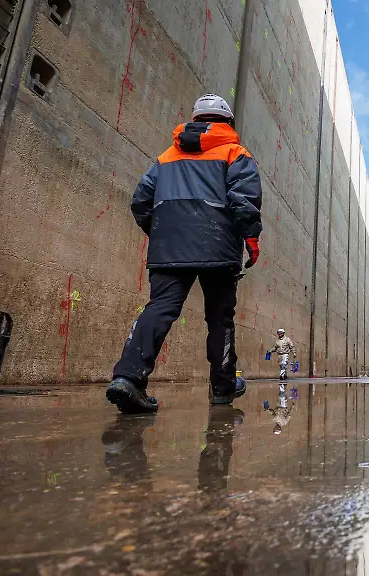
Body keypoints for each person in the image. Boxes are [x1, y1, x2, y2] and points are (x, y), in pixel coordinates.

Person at [106, 94, 262, 414]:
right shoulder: (235, 153)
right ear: (228, 123)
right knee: (220, 319)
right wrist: (251, 237)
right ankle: (222, 387)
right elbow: (244, 200)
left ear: (195, 119)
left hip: (169, 247)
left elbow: (140, 202)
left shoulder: (166, 158)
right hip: (218, 246)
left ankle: (128, 378)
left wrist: (163, 233)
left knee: (160, 308)